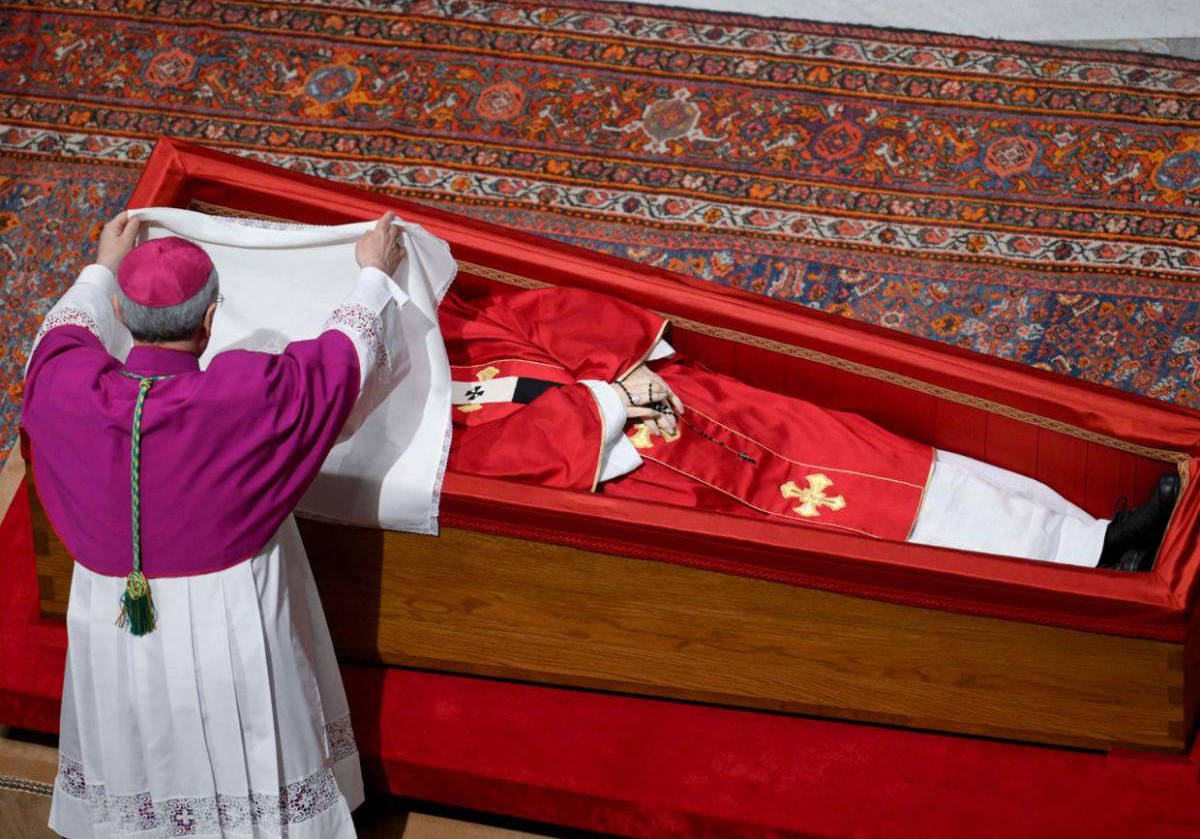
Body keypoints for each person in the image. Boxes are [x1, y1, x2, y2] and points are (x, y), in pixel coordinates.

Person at [21, 210, 408, 839]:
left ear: (120, 315)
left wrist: (100, 267)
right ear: (209, 321)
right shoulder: (245, 395)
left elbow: (55, 341)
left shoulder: (67, 389)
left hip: (114, 618)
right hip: (230, 622)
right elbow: (345, 362)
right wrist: (372, 273)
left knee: (137, 734)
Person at [442, 285, 1178, 570]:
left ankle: (1088, 538)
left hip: (692, 407)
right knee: (866, 536)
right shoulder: (392, 441)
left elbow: (522, 316)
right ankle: (1093, 586)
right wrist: (604, 407)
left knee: (887, 462)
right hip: (643, 490)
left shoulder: (433, 329)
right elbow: (503, 468)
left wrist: (625, 368)